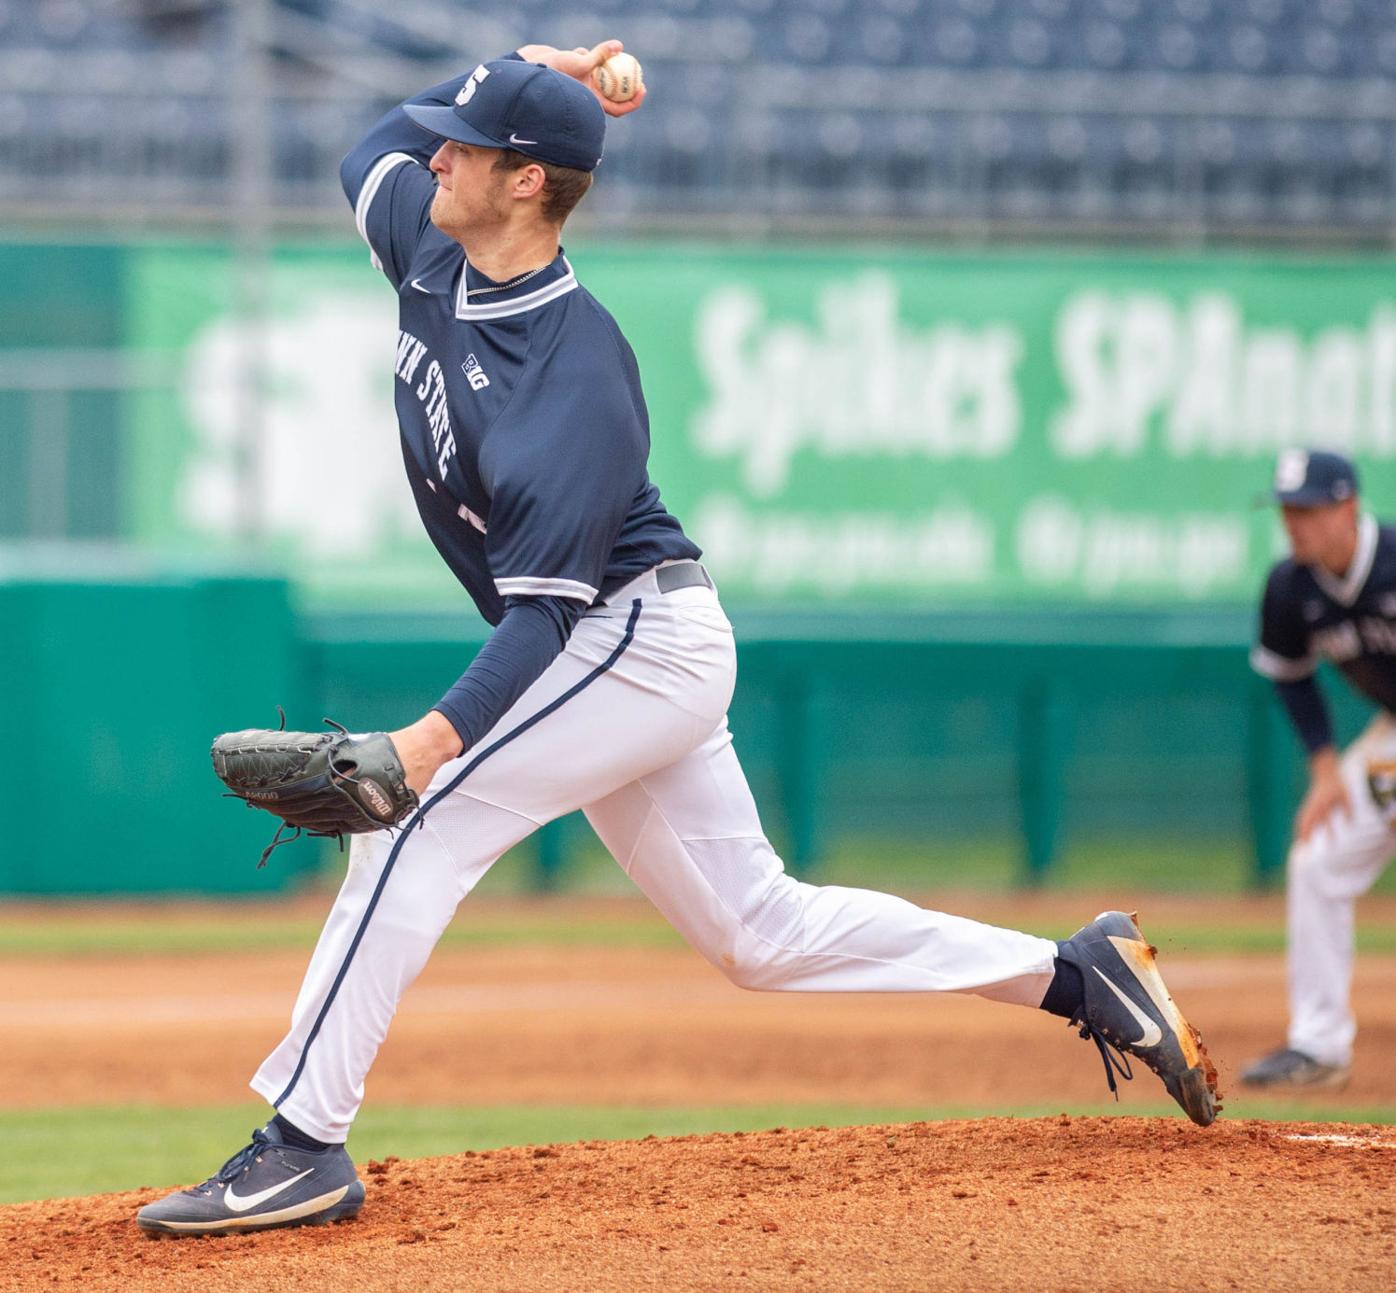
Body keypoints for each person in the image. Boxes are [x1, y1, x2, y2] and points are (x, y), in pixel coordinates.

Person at [135, 40, 1217, 1237]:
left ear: (531, 183)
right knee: (758, 933)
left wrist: (422, 747)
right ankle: (1079, 975)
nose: (436, 151)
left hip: (631, 640)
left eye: (470, 143)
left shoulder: (573, 373)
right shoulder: (433, 244)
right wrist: (532, 63)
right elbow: (367, 148)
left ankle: (301, 1147)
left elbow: (547, 618)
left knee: (412, 824)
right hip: (617, 647)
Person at [1242, 448, 1396, 1091]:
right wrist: (1326, 772)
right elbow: (1291, 676)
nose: (1294, 522)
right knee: (1320, 856)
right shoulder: (1290, 586)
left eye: (1307, 508)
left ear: (1348, 507)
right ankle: (1319, 1043)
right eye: (1286, 509)